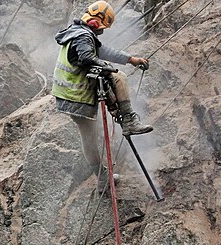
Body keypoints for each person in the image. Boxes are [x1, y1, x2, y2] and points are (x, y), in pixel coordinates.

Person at [52, 1, 153, 189]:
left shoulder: (77, 32)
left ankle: (101, 176)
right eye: (102, 28)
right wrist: (109, 69)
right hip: (76, 95)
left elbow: (101, 51)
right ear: (95, 23)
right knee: (118, 77)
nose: (101, 32)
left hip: (67, 96)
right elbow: (87, 58)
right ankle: (130, 121)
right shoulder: (83, 36)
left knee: (88, 137)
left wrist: (130, 59)